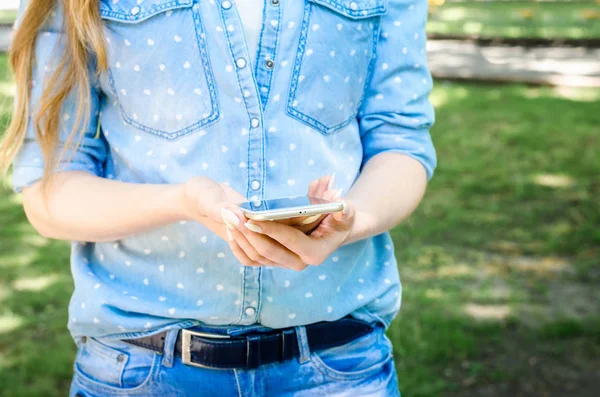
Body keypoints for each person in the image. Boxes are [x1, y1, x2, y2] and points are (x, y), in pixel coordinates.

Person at [0, 0, 436, 395]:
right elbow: (50, 191)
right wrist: (183, 202)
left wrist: (348, 222)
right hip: (142, 372)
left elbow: (400, 143)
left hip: (339, 366)